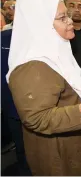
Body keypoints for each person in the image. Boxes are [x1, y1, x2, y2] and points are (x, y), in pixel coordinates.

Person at [6, 0, 81, 175]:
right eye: (62, 18)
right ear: (41, 24)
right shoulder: (32, 67)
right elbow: (37, 118)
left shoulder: (56, 52)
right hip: (62, 155)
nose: (70, 21)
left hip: (75, 144)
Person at [1, 28, 32, 176]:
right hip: (12, 105)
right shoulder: (5, 38)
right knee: (21, 147)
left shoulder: (47, 35)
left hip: (43, 106)